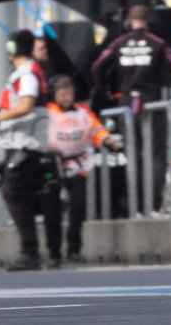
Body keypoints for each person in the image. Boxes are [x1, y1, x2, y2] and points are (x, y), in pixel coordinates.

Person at [89, 4, 171, 214]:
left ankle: (135, 204)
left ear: (129, 22)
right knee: (157, 154)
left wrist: (107, 92)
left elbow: (97, 66)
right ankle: (152, 203)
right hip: (152, 102)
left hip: (126, 104)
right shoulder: (158, 43)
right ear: (150, 21)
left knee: (133, 154)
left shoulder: (119, 42)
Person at [0, 29, 56, 270]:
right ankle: (31, 250)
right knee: (17, 192)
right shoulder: (26, 72)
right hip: (20, 142)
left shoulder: (27, 73)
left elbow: (26, 105)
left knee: (14, 192)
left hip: (26, 143)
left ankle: (30, 251)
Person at [43, 76, 120, 264]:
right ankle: (54, 252)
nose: (65, 98)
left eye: (68, 94)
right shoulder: (47, 113)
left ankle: (74, 250)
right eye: (61, 94)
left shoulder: (83, 112)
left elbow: (96, 129)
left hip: (78, 165)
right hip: (51, 166)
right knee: (51, 209)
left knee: (78, 207)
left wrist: (107, 140)